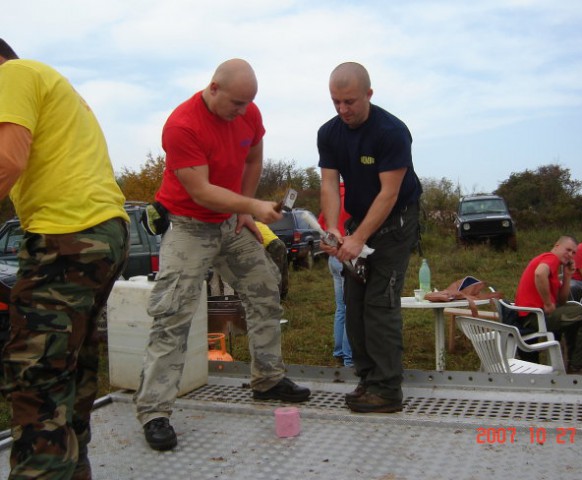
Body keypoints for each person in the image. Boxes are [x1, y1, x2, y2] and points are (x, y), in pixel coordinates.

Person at [134, 58, 310, 452]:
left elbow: (253, 156)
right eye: (236, 103)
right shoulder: (182, 125)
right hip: (190, 225)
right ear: (213, 88)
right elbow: (201, 191)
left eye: (249, 104)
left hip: (231, 225)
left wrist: (244, 212)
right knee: (174, 312)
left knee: (265, 287)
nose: (243, 112)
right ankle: (154, 411)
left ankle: (267, 380)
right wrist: (251, 203)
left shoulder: (248, 112)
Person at [0, 39, 129, 479]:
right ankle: (73, 469)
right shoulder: (55, 86)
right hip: (103, 232)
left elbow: (6, 160)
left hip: (67, 234)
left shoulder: (12, 75)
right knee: (69, 365)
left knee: (35, 373)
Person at [318, 62, 422, 413]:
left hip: (396, 220)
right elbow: (330, 182)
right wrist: (334, 228)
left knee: (380, 302)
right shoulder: (329, 133)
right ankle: (368, 380)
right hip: (362, 218)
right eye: (336, 102)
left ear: (369, 95)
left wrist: (358, 238)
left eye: (350, 101)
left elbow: (389, 194)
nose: (343, 110)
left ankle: (388, 389)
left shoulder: (391, 131)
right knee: (354, 300)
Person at [514, 236, 582, 374]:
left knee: (579, 311)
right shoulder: (551, 258)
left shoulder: (554, 266)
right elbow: (539, 273)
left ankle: (573, 362)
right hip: (534, 316)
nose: (570, 255)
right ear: (557, 245)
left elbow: (561, 301)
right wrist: (547, 303)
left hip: (536, 315)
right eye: (568, 250)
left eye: (573, 253)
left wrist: (567, 276)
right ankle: (579, 366)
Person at [318, 182, 353, 367]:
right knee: (352, 309)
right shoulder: (356, 197)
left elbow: (322, 228)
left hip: (333, 258)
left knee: (341, 307)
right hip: (349, 257)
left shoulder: (331, 198)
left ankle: (339, 352)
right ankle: (349, 359)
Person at [255, 220, 289, 300]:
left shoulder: (248, 227)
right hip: (280, 243)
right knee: (283, 271)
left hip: (273, 246)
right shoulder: (258, 223)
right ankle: (283, 296)